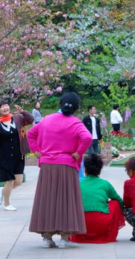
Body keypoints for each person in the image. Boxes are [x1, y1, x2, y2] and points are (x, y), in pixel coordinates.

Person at [28, 92, 93, 249]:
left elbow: (30, 134)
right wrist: (78, 153)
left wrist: (36, 151)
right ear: (76, 108)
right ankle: (64, 238)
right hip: (66, 165)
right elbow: (87, 138)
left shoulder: (46, 119)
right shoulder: (75, 123)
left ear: (60, 104)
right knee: (67, 200)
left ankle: (47, 238)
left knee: (47, 199)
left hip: (47, 165)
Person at [0, 99, 34, 211]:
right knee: (10, 180)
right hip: (4, 156)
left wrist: (23, 112)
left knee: (18, 181)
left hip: (18, 155)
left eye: (6, 105)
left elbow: (31, 120)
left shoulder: (18, 118)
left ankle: (2, 191)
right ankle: (6, 204)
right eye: (2, 107)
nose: (5, 108)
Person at [69, 153, 125, 244]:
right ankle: (107, 234)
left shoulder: (77, 183)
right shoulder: (105, 183)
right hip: (101, 224)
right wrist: (124, 212)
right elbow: (119, 200)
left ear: (85, 169)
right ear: (100, 170)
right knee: (115, 203)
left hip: (80, 225)